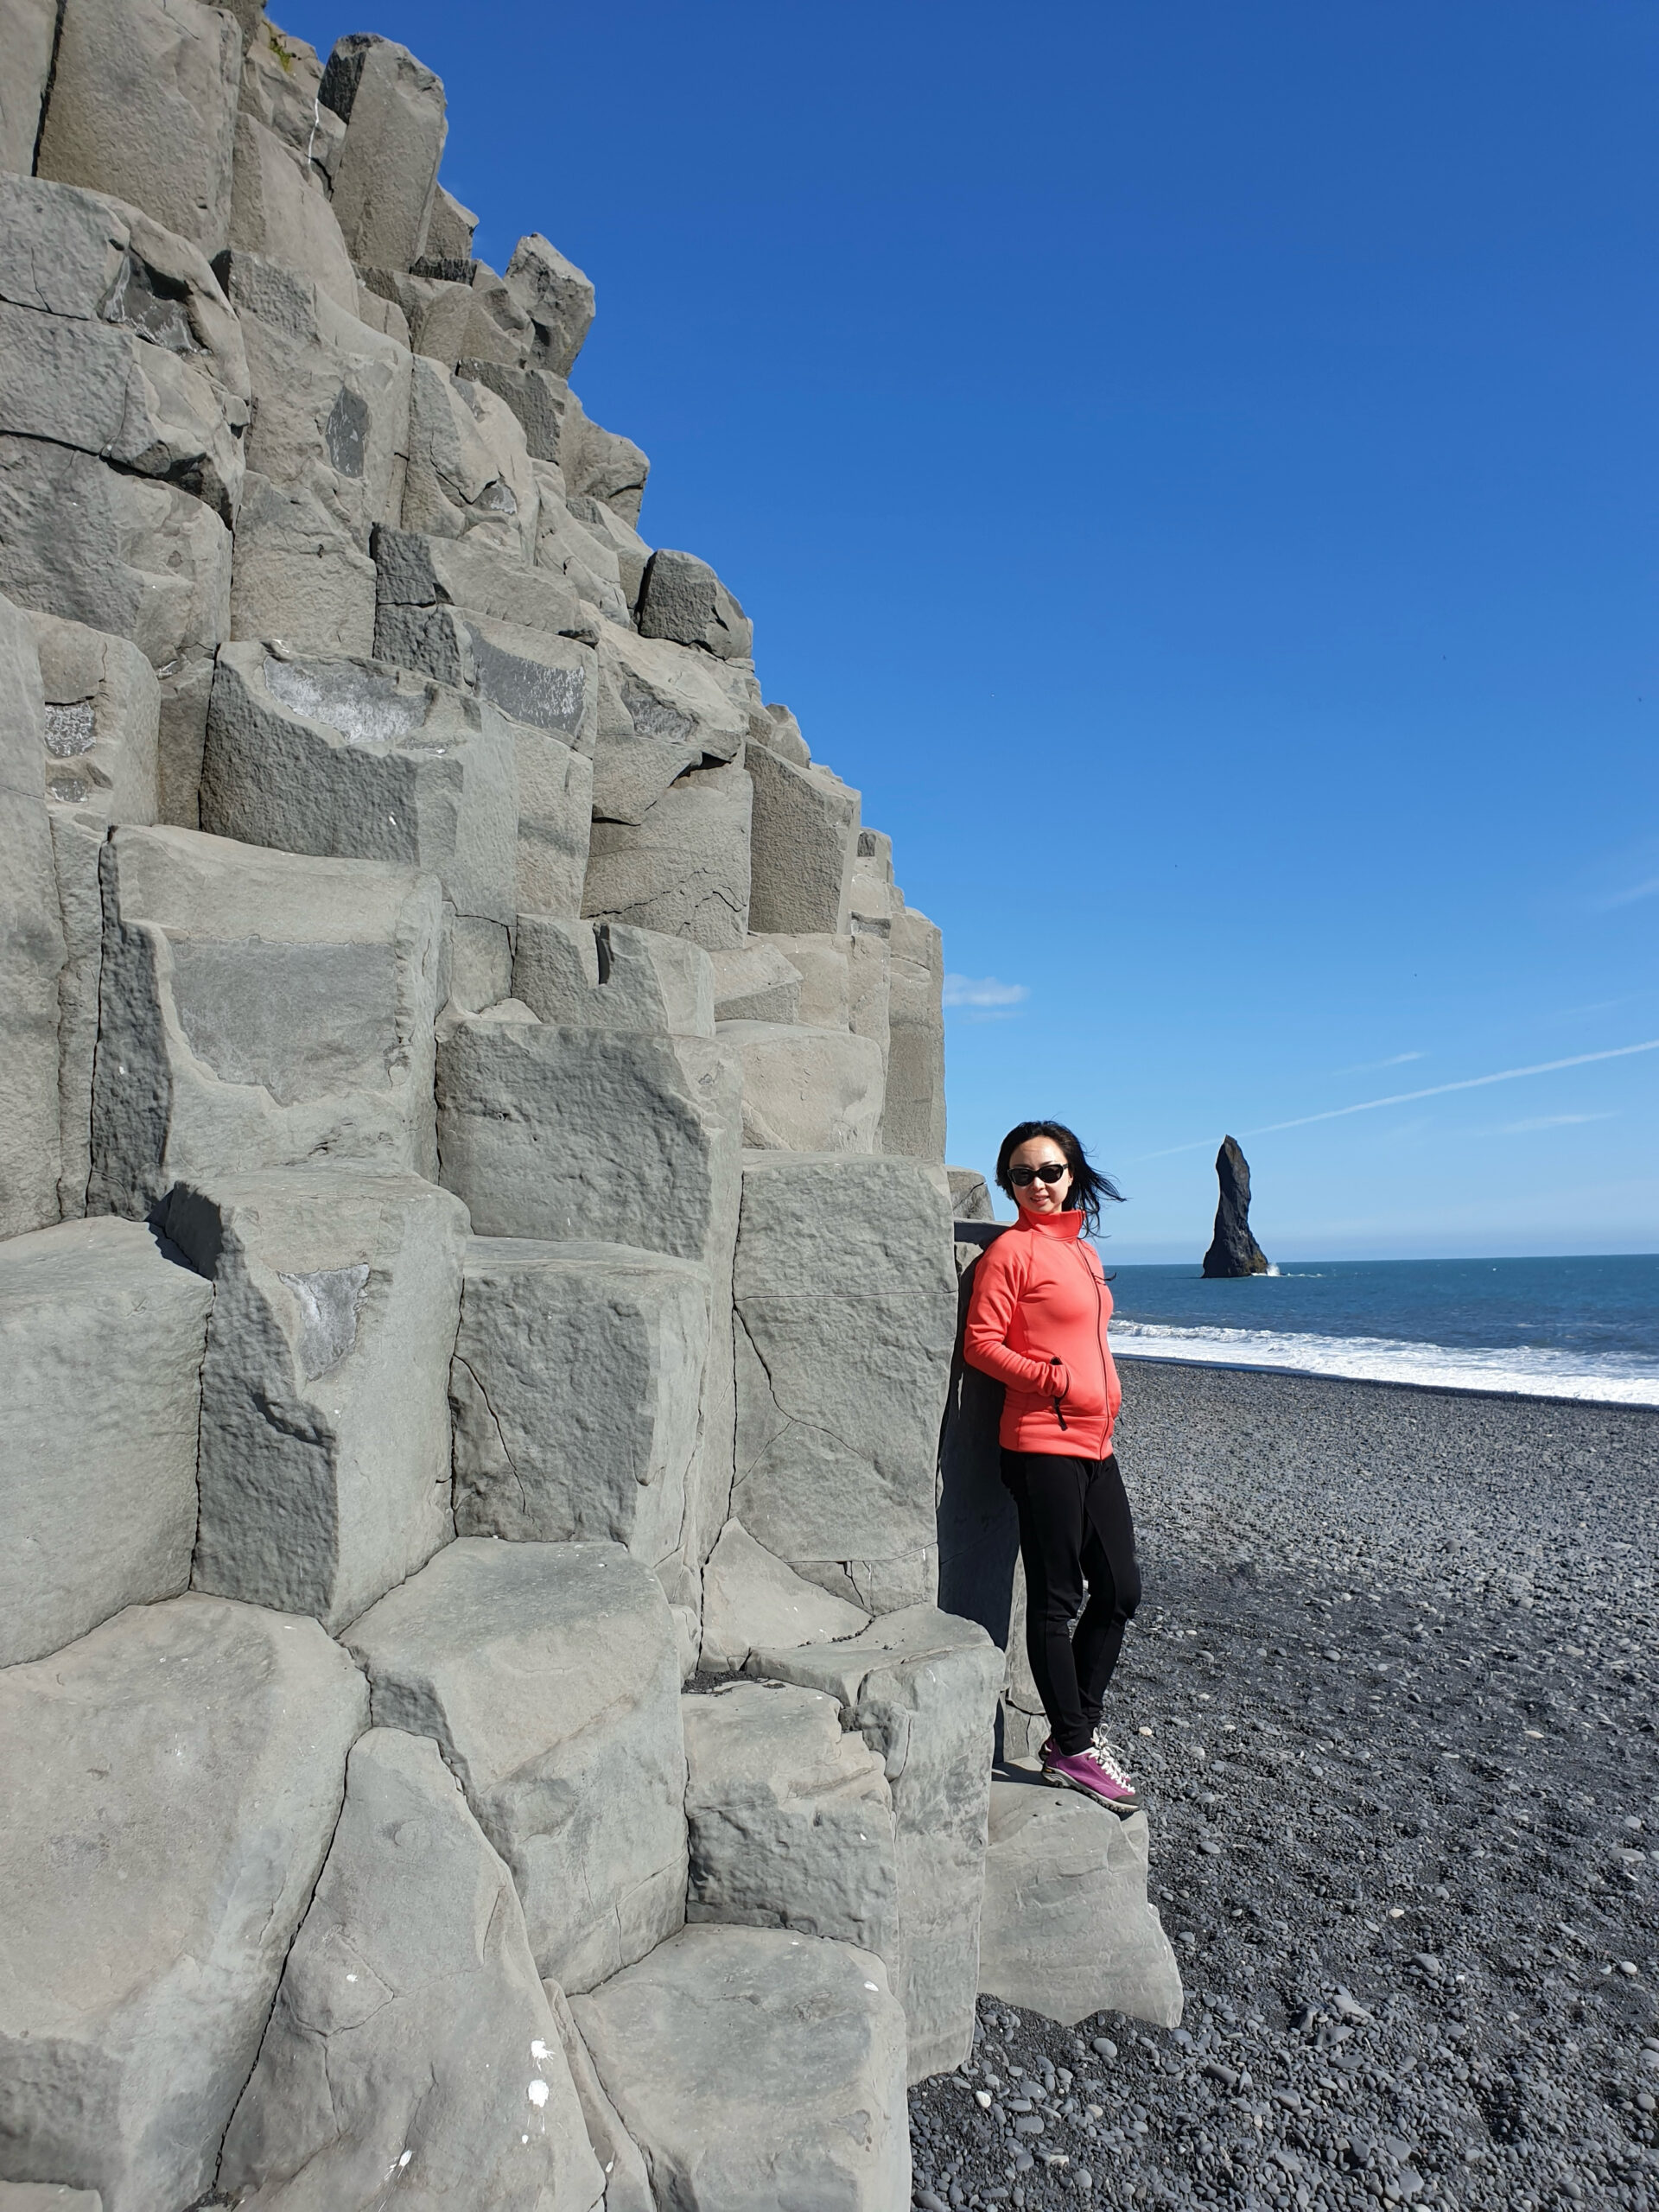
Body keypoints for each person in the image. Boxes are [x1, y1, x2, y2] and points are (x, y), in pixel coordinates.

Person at [962, 1119, 1142, 1811]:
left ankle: (1075, 1734)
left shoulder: (1083, 1254)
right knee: (1057, 1600)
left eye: (1049, 1171)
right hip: (1041, 1443)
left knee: (1120, 1591)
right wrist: (1054, 1381)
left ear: (1072, 1175)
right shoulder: (1011, 1252)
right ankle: (1073, 1746)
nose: (1036, 1184)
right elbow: (982, 1344)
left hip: (1097, 1445)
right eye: (1021, 1174)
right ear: (1008, 1183)